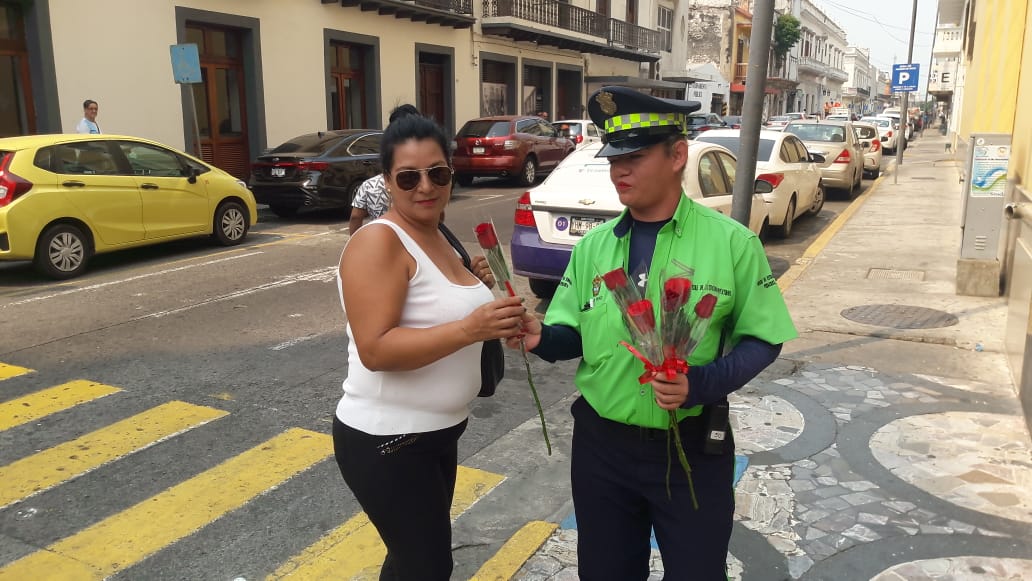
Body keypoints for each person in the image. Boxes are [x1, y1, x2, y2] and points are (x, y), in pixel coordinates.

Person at [508, 86, 797, 579]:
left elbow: (764, 339)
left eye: (635, 157)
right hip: (603, 448)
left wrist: (699, 386)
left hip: (690, 448)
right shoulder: (594, 248)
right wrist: (539, 337)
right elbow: (571, 334)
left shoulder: (732, 244)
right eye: (612, 158)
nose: (619, 170)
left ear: (677, 154)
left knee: (696, 572)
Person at [333, 105, 524, 581]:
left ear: (451, 173)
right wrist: (470, 327)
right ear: (386, 181)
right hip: (388, 438)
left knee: (412, 563)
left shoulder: (436, 232)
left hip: (437, 433)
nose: (426, 187)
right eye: (408, 177)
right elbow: (376, 350)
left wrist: (473, 280)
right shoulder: (379, 241)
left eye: (437, 173)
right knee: (428, 566)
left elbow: (436, 303)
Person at [348, 105, 422, 233]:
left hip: (381, 246)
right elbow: (438, 217)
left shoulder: (369, 186)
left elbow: (355, 217)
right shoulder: (426, 184)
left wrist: (356, 244)